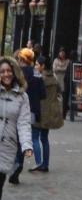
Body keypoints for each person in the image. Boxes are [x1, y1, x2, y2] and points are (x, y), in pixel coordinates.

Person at [0, 56, 33, 200]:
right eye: (2, 71)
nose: (6, 74)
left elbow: (24, 123)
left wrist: (26, 145)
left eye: (8, 71)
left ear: (14, 72)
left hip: (7, 146)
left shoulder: (22, 96)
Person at [10, 47, 46, 184]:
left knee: (14, 138)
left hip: (18, 108)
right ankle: (19, 163)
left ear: (21, 59)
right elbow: (43, 94)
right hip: (33, 111)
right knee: (26, 138)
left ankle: (16, 164)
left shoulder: (17, 73)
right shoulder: (37, 73)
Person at [30, 56, 63, 172]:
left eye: (37, 65)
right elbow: (60, 91)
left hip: (38, 111)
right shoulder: (53, 79)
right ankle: (46, 164)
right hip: (49, 113)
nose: (35, 66)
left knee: (34, 138)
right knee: (44, 139)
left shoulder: (38, 79)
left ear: (43, 66)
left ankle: (39, 162)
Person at [52, 47, 69, 117]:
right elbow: (54, 69)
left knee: (63, 98)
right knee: (55, 97)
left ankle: (61, 112)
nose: (62, 54)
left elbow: (67, 69)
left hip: (63, 81)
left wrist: (59, 68)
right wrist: (62, 69)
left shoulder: (67, 61)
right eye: (61, 52)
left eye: (63, 52)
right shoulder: (56, 60)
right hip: (56, 80)